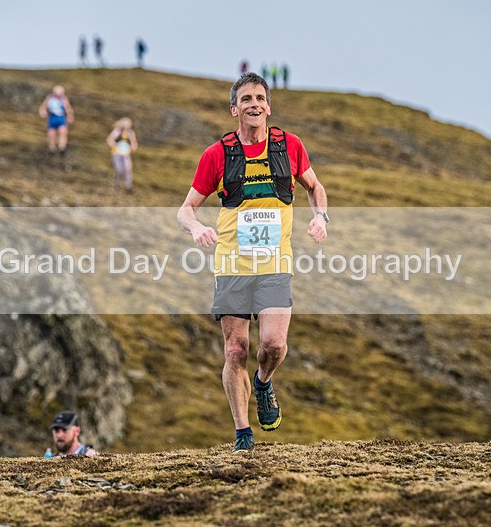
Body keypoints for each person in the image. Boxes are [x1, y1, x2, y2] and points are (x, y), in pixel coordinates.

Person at [176, 73, 329, 454]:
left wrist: (320, 217)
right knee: (235, 351)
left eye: (260, 98)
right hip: (231, 265)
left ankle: (263, 382)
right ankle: (243, 433)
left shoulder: (289, 146)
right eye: (246, 99)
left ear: (269, 106)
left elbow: (315, 187)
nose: (254, 104)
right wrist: (196, 228)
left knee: (274, 345)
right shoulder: (217, 154)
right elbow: (185, 209)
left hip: (275, 263)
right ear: (234, 109)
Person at [38, 85, 74, 155]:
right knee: (51, 133)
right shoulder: (49, 98)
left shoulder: (63, 99)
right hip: (52, 117)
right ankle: (52, 148)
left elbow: (68, 108)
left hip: (60, 118)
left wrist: (70, 116)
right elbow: (43, 107)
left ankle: (62, 147)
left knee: (62, 132)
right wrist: (42, 112)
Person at [106, 117, 139, 193]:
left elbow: (134, 143)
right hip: (117, 153)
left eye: (129, 125)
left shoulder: (131, 133)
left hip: (126, 154)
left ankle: (128, 187)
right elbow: (109, 140)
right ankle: (116, 185)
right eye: (126, 124)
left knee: (128, 169)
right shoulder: (117, 131)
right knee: (119, 169)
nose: (127, 126)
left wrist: (133, 148)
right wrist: (114, 145)